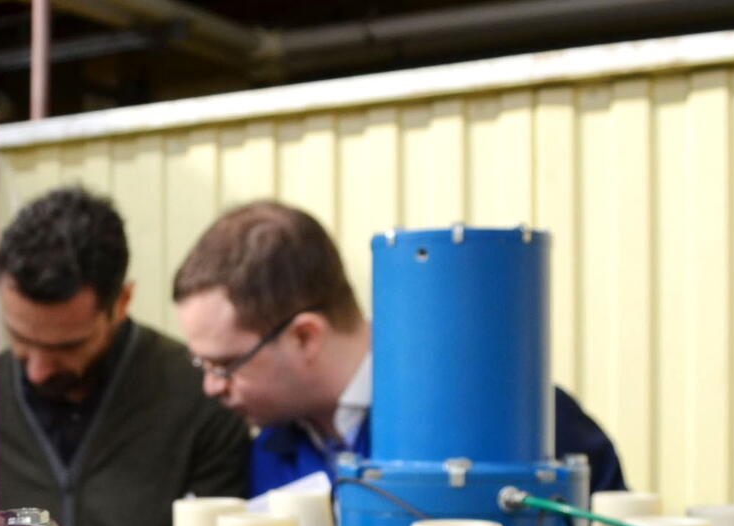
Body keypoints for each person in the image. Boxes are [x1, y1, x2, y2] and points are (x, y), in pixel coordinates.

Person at [172, 201, 626, 497]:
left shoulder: (516, 422)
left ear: (304, 336)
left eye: (225, 365)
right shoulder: (268, 450)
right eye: (202, 365)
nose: (211, 387)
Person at [0, 187, 248, 526]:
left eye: (66, 346)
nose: (36, 370)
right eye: (20, 338)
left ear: (123, 301)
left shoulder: (201, 402)